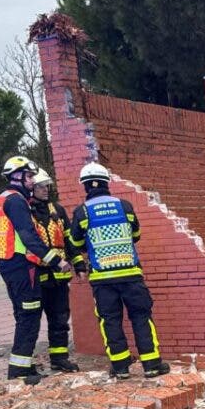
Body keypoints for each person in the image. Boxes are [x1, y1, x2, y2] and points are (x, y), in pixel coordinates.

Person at [67, 162, 169, 379]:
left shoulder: (82, 212)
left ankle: (121, 368)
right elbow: (136, 234)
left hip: (102, 280)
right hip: (131, 275)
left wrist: (90, 245)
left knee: (110, 321)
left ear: (85, 186)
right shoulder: (125, 206)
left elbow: (75, 241)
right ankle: (151, 365)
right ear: (107, 182)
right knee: (141, 317)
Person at [0, 156, 71, 384]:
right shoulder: (16, 201)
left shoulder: (0, 200)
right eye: (29, 176)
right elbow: (28, 236)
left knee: (23, 315)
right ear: (17, 176)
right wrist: (56, 261)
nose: (32, 180)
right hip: (23, 267)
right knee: (29, 317)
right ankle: (19, 372)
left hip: (8, 265)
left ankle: (24, 365)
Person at [30, 168, 83, 373]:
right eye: (41, 186)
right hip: (36, 276)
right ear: (32, 188)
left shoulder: (58, 211)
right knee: (31, 321)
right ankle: (27, 362)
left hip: (59, 277)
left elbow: (69, 241)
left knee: (60, 319)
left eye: (47, 186)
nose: (45, 190)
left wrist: (78, 264)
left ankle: (59, 359)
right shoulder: (26, 211)